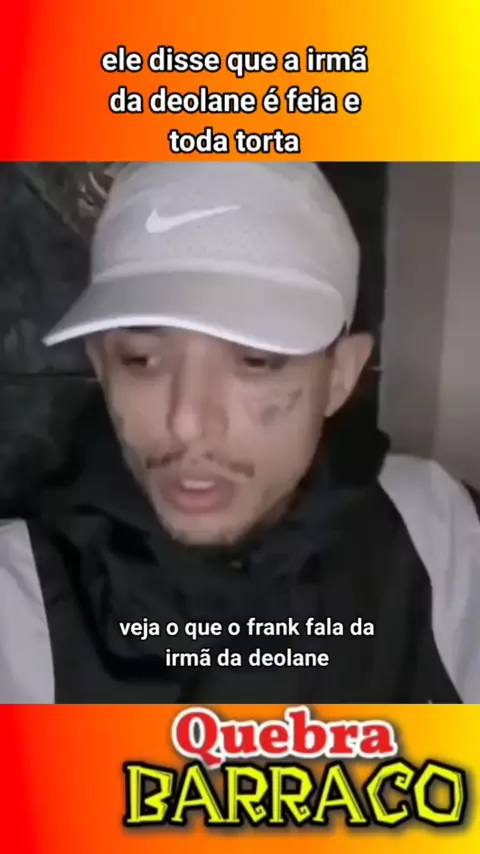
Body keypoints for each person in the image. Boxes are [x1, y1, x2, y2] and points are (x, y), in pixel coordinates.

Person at [1, 161, 478, 704]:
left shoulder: (440, 539)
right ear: (101, 366)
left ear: (340, 377)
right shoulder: (21, 604)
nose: (186, 421)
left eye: (256, 360)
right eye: (141, 359)